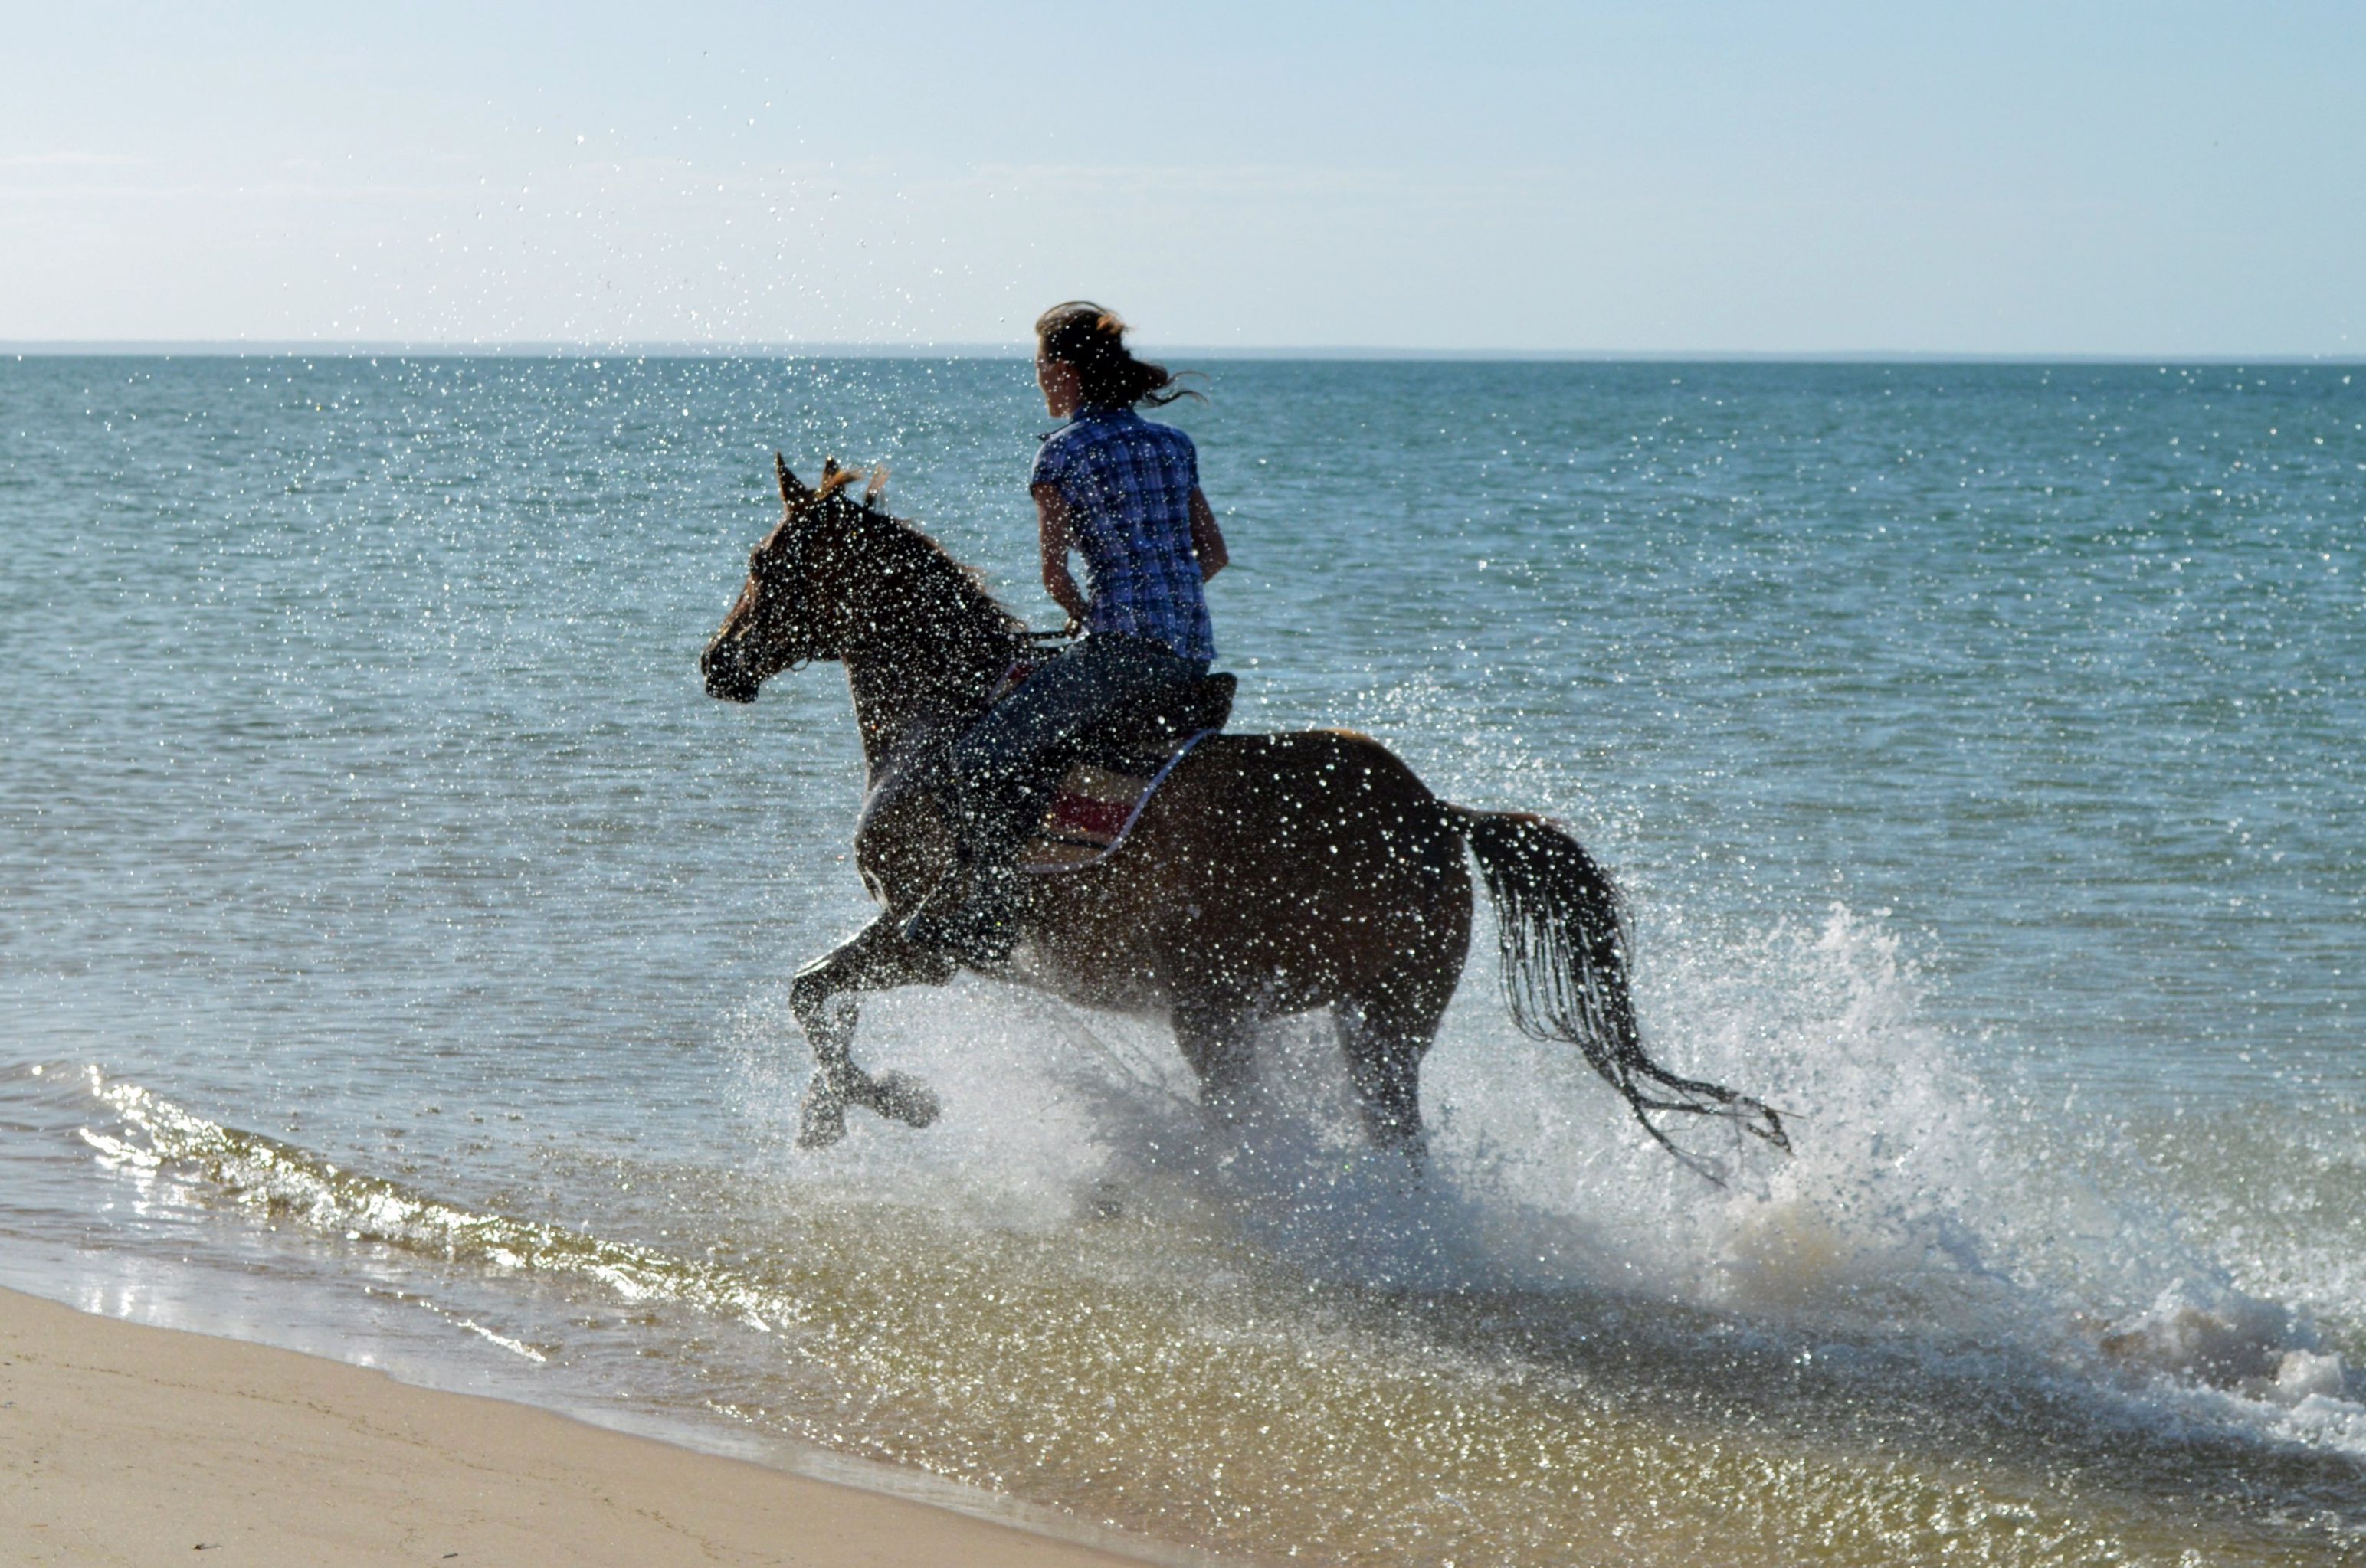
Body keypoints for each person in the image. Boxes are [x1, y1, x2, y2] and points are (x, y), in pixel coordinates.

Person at [903, 302, 1230, 964]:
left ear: (1065, 372)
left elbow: (1055, 579)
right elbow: (1213, 555)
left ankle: (989, 914)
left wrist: (1091, 613)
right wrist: (1162, 593)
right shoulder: (1174, 445)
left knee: (978, 756)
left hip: (1121, 652)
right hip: (1193, 652)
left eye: (1041, 370)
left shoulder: (1062, 454)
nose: (1040, 383)